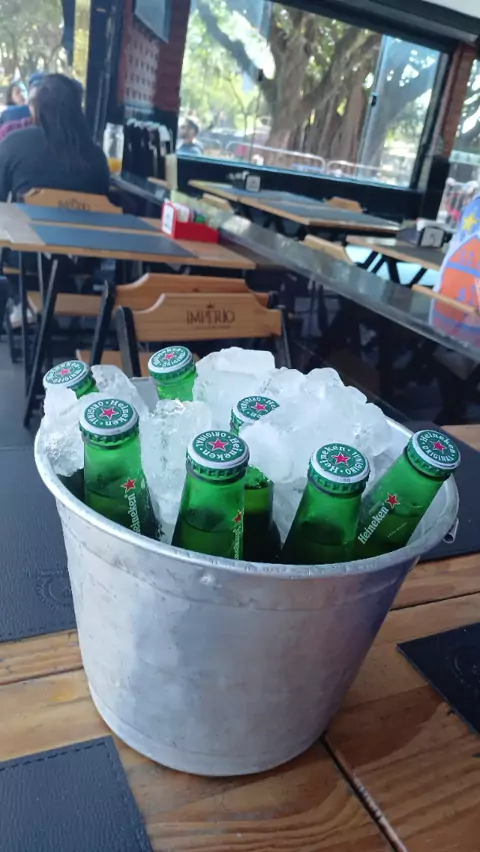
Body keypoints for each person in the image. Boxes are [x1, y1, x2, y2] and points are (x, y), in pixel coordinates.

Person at [0, 73, 110, 201]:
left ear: (38, 108)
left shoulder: (13, 144)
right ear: (78, 110)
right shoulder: (98, 158)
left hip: (25, 214)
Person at [0, 78, 44, 144]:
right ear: (11, 97)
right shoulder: (6, 115)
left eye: (23, 91)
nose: (22, 94)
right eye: (17, 92)